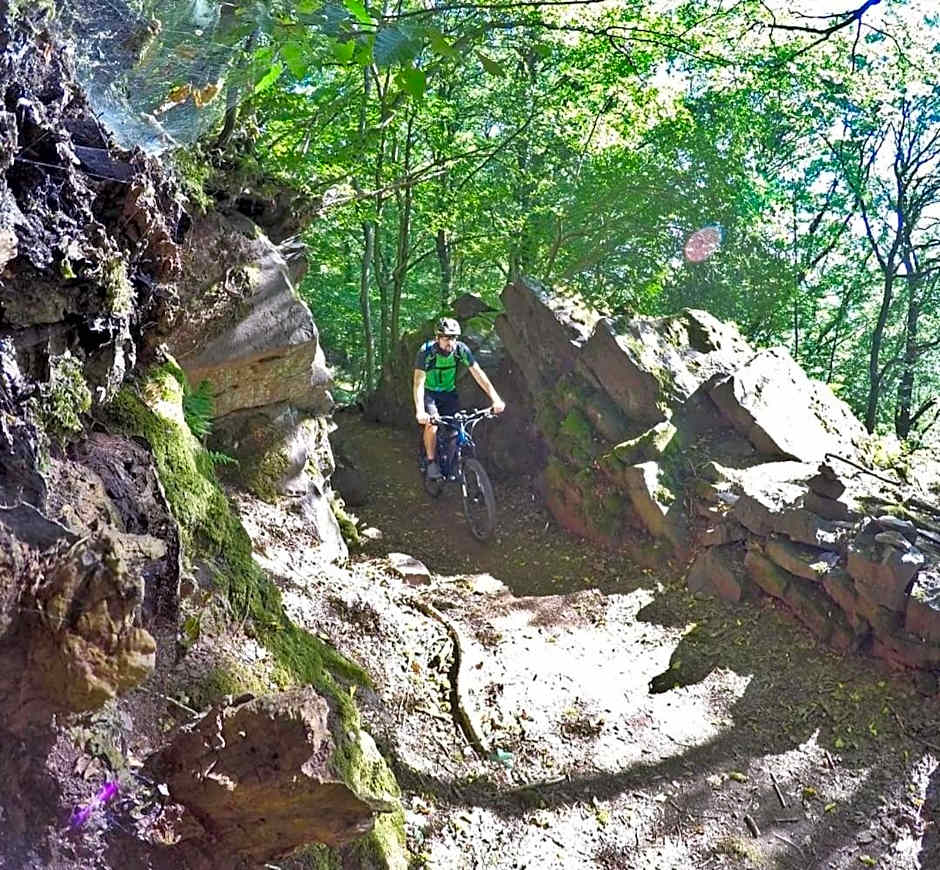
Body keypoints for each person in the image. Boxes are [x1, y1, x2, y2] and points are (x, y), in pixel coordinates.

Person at [413, 317, 505, 480]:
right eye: (447, 337)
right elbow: (418, 383)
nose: (451, 342)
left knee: (457, 427)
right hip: (430, 394)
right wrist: (420, 411)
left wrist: (496, 398)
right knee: (432, 425)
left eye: (454, 337)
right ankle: (431, 461)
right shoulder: (427, 352)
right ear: (437, 338)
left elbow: (478, 374)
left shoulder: (460, 350)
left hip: (449, 393)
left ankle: (453, 463)